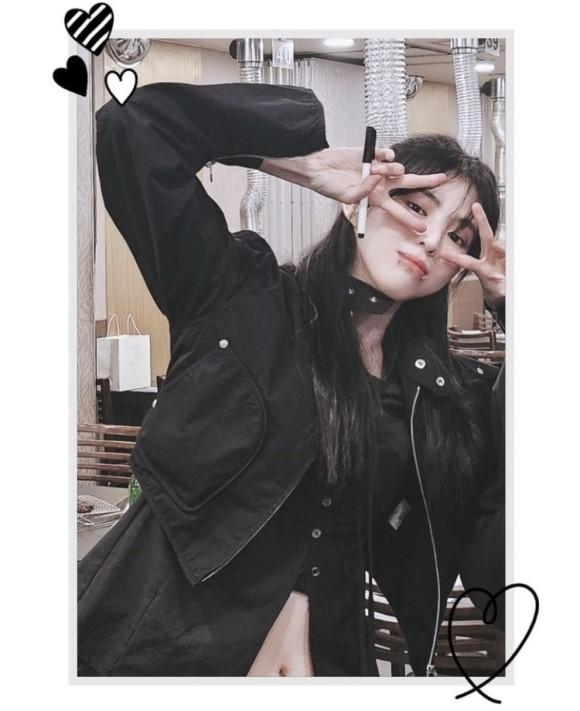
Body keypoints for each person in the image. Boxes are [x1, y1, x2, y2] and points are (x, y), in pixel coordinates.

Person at [77, 81, 506, 677]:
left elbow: (501, 557)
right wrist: (297, 160)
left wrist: (514, 308)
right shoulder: (239, 296)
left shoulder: (441, 399)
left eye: (458, 237)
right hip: (159, 649)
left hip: (331, 664)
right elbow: (133, 126)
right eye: (415, 208)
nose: (432, 241)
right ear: (361, 199)